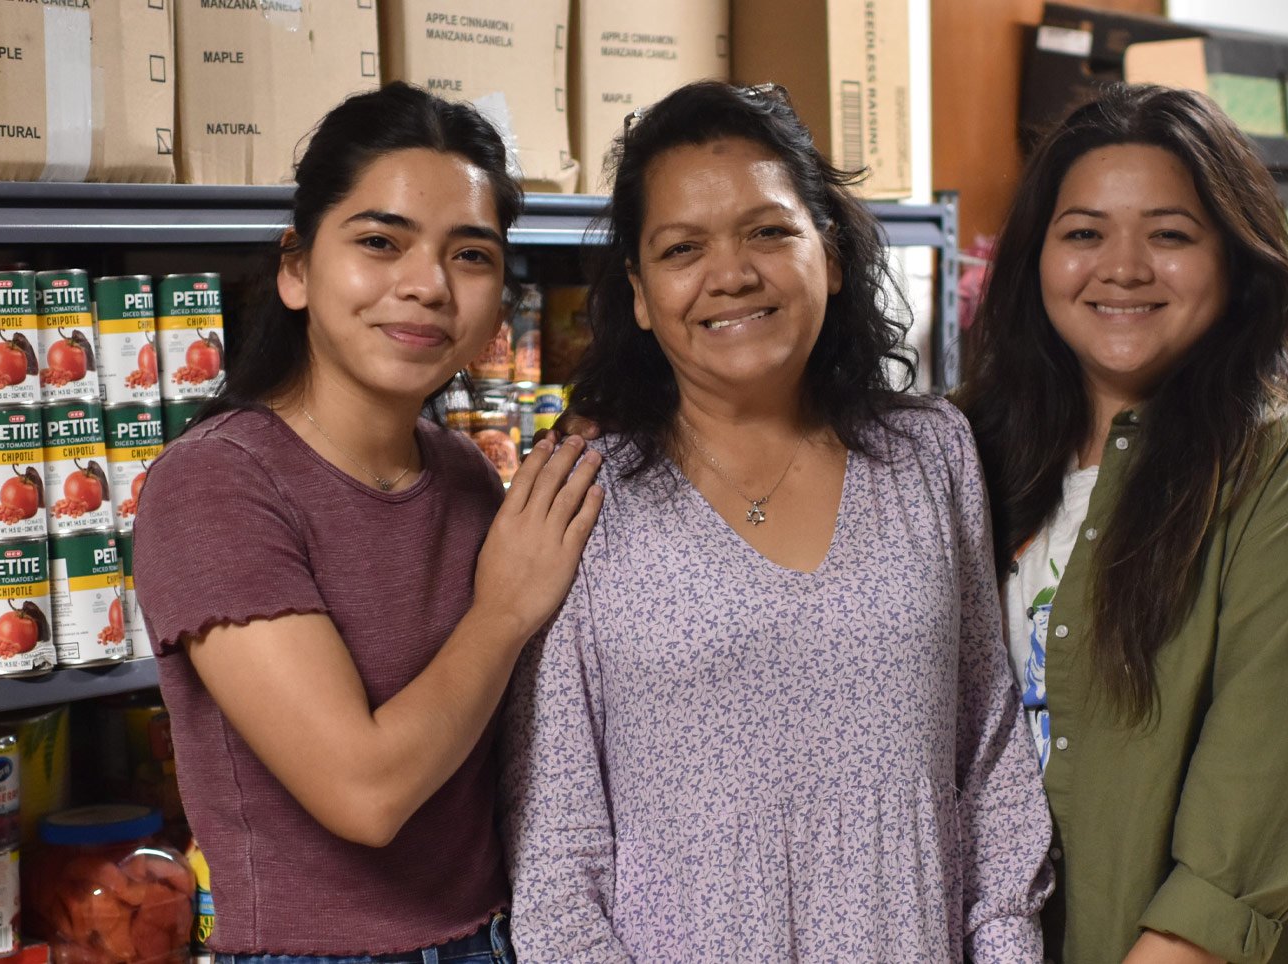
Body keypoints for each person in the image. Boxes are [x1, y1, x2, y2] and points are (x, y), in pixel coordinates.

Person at [498, 81, 1053, 961]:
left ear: (828, 254)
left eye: (767, 231)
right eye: (683, 248)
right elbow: (558, 857)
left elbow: (989, 767)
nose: (731, 274)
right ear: (639, 292)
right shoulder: (583, 496)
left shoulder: (931, 454)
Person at [133, 83, 603, 962]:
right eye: (381, 242)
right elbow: (365, 793)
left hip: (497, 936)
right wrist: (505, 609)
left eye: (471, 254)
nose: (427, 285)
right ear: (296, 269)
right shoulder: (215, 484)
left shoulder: (462, 473)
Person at [955, 84, 1288, 964]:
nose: (1123, 267)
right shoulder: (972, 448)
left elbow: (1218, 901)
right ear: (1036, 259)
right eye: (1083, 234)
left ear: (1236, 259)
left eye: (1170, 235)